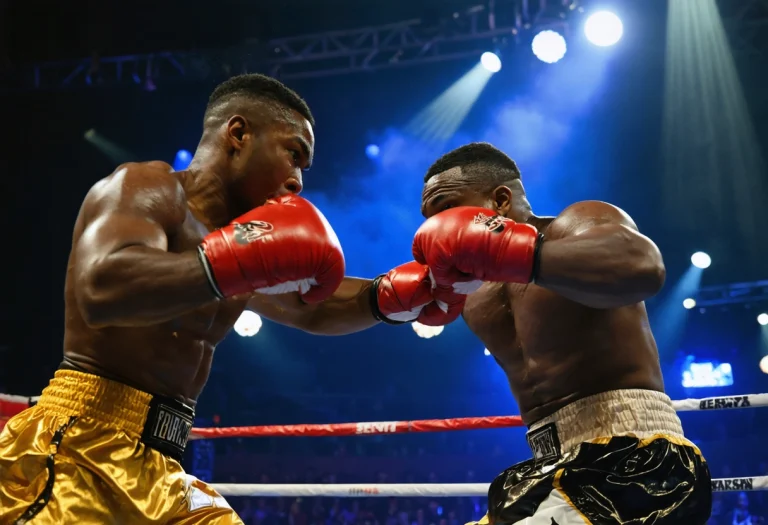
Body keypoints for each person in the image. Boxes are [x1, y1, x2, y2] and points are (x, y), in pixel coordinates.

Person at [0, 74, 460, 524]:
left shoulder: (242, 239)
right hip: (78, 447)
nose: (298, 180)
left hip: (162, 467)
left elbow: (313, 305)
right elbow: (101, 288)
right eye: (293, 154)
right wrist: (232, 259)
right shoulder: (145, 189)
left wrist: (401, 294)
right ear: (238, 134)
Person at [413, 142, 712, 524]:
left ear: (500, 201)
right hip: (547, 469)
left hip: (636, 462)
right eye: (426, 218)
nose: (433, 226)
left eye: (444, 209)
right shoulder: (470, 290)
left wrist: (518, 253)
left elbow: (642, 266)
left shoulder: (574, 228)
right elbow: (348, 305)